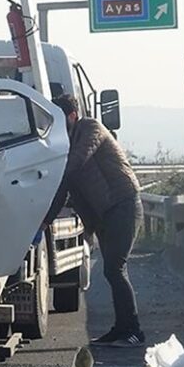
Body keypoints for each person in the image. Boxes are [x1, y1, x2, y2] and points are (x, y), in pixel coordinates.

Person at [43, 94, 145, 348]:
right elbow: (64, 189)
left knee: (114, 268)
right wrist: (44, 221)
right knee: (113, 271)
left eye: (58, 119)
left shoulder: (90, 128)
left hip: (123, 205)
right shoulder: (67, 142)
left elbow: (77, 162)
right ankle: (121, 328)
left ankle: (133, 330)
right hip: (105, 214)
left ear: (71, 116)